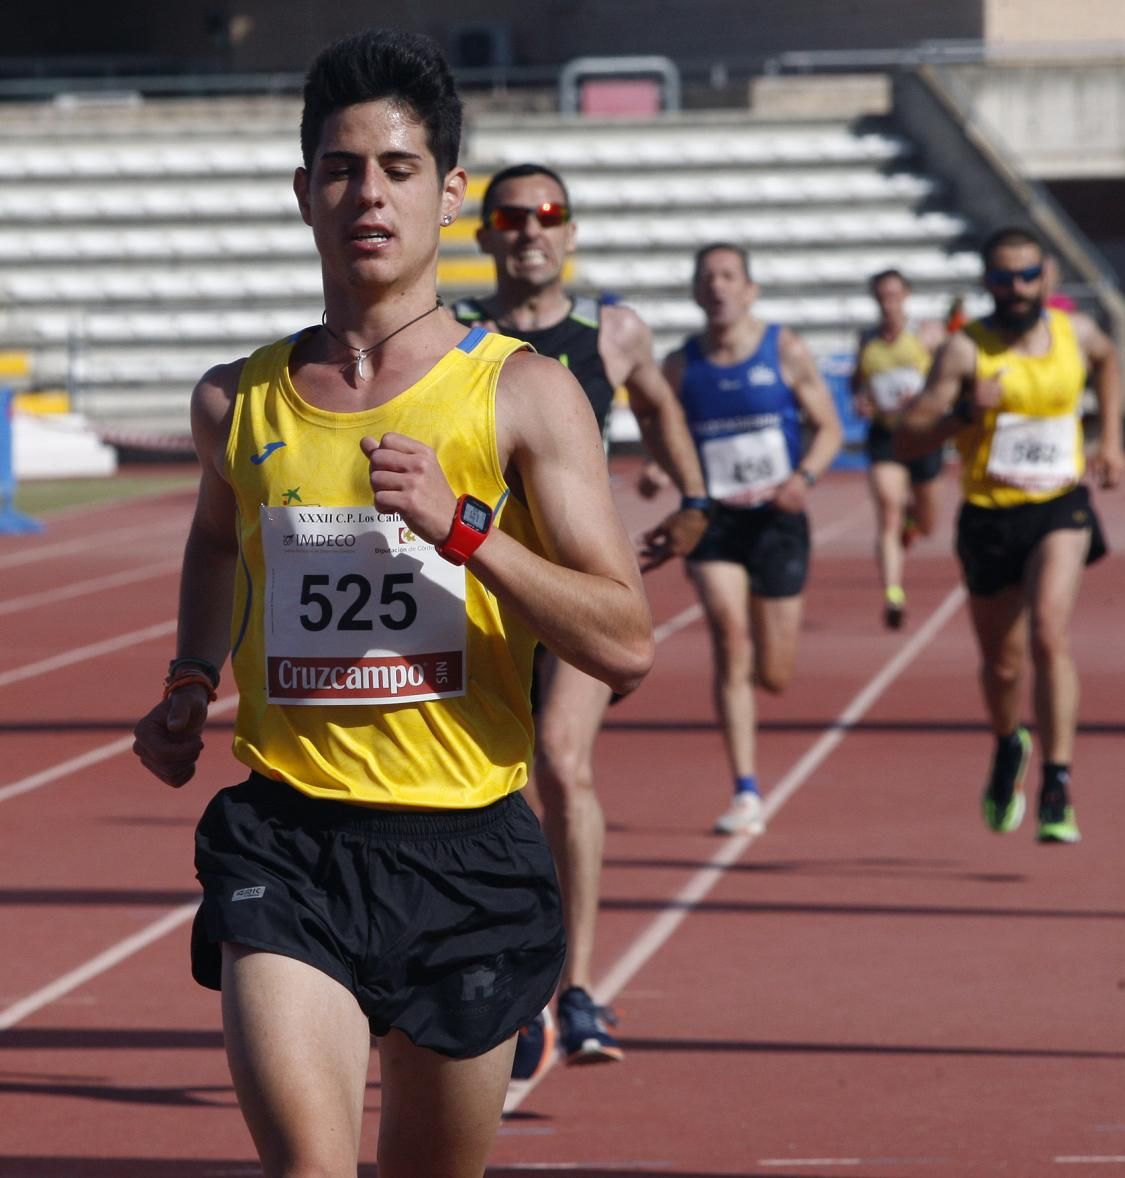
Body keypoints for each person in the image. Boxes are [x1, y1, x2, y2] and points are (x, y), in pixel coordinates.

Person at [130, 29, 654, 1178]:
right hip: (291, 841)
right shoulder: (237, 399)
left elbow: (625, 641)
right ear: (303, 192)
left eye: (400, 168)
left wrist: (467, 531)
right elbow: (218, 541)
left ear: (451, 194)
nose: (368, 192)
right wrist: (186, 677)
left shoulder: (523, 393)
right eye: (340, 166)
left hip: (466, 854)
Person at [453, 162, 710, 1073]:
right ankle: (527, 982)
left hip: (585, 593)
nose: (531, 229)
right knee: (507, 786)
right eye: (512, 215)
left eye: (549, 213)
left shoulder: (616, 332)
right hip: (492, 595)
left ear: (571, 232)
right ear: (481, 233)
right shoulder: (458, 341)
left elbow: (661, 407)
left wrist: (693, 499)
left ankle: (582, 990)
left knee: (565, 762)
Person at [894, 225, 1125, 845]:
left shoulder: (1073, 333)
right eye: (1003, 277)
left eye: (1027, 275)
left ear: (1045, 276)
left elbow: (1108, 357)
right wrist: (965, 412)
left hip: (1059, 504)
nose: (1016, 287)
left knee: (1050, 632)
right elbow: (909, 435)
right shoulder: (966, 351)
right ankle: (1007, 744)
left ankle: (1057, 780)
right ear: (987, 281)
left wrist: (1112, 440)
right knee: (1003, 665)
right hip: (990, 515)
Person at [646, 242, 843, 836]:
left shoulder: (784, 349)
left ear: (749, 289)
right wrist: (668, 472)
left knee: (775, 673)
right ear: (695, 291)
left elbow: (830, 428)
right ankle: (746, 790)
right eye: (708, 277)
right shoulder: (682, 364)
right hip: (717, 522)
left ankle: (762, 658)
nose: (719, 287)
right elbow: (660, 425)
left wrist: (803, 478)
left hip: (778, 517)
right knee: (730, 640)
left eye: (730, 276)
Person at [852, 268, 946, 629]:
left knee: (927, 523)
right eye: (882, 297)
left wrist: (924, 397)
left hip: (923, 436)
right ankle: (893, 593)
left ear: (906, 296)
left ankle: (913, 522)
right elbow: (858, 385)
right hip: (886, 436)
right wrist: (862, 402)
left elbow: (948, 380)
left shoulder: (925, 336)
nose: (888, 303)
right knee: (887, 512)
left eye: (894, 296)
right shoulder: (866, 341)